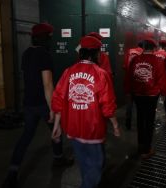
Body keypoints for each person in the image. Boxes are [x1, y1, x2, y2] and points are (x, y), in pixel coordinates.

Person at [2, 23, 72, 188]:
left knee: (25, 137)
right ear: (45, 37)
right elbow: (47, 85)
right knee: (56, 130)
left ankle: (12, 174)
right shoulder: (44, 54)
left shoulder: (26, 53)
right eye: (50, 36)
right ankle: (58, 158)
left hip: (28, 103)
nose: (51, 39)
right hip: (42, 104)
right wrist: (53, 109)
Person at [51, 36, 120, 188]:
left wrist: (57, 125)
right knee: (96, 166)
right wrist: (115, 125)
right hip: (93, 130)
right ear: (96, 53)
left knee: (83, 164)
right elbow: (107, 105)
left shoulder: (68, 72)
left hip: (73, 129)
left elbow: (58, 100)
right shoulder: (101, 74)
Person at [124, 38, 166, 159]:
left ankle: (140, 145)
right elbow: (162, 78)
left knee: (140, 119)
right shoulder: (158, 60)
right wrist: (164, 92)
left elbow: (129, 76)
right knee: (149, 121)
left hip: (138, 95)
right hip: (151, 96)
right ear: (154, 48)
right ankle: (147, 149)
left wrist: (128, 91)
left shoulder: (135, 59)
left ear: (143, 48)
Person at [123, 45, 143, 130]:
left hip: (128, 80)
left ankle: (128, 122)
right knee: (140, 105)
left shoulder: (130, 50)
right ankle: (140, 123)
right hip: (138, 82)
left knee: (129, 103)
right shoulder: (142, 52)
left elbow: (124, 66)